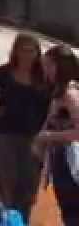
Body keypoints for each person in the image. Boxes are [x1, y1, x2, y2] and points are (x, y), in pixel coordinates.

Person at [0, 33, 49, 221]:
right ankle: (7, 220)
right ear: (15, 51)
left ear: (37, 53)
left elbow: (52, 104)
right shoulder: (4, 72)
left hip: (34, 137)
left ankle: (22, 221)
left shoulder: (43, 77)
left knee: (28, 184)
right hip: (7, 133)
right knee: (7, 181)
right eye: (23, 50)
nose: (27, 54)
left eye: (32, 50)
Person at [35, 44, 79, 225]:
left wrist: (47, 136)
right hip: (60, 162)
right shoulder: (58, 94)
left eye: (48, 65)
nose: (45, 70)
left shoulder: (70, 96)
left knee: (73, 213)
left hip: (71, 164)